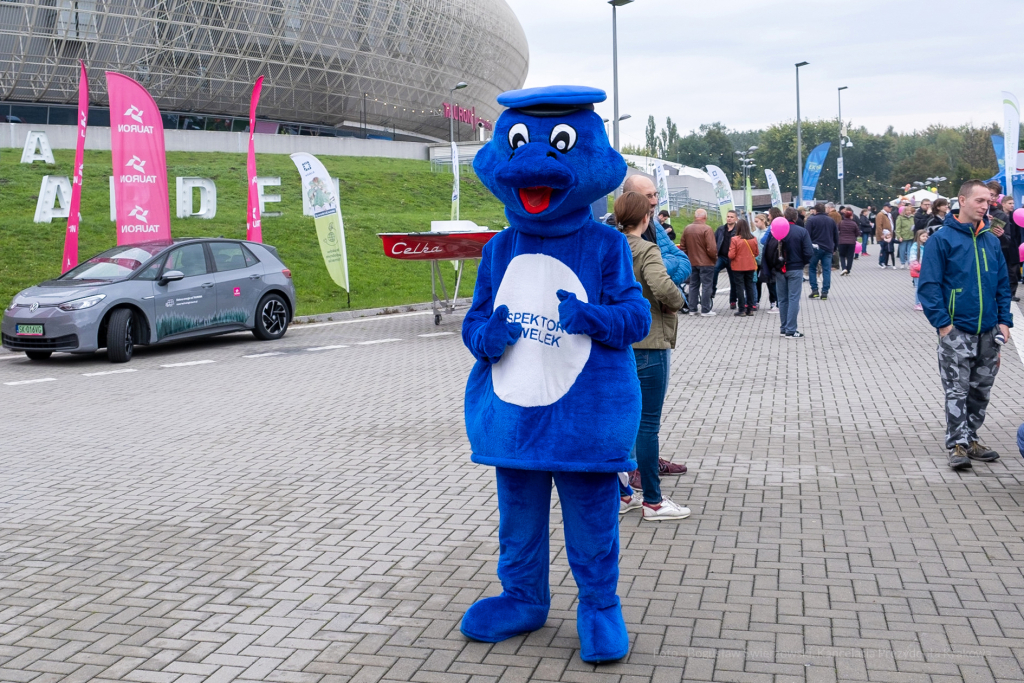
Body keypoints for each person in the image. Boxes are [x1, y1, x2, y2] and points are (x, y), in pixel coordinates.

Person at [918, 179, 1013, 471]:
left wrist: (1004, 320)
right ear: (962, 200)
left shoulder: (991, 240)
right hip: (956, 329)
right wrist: (943, 325)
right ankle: (957, 444)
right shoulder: (942, 239)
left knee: (980, 389)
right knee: (956, 389)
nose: (986, 206)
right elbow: (929, 286)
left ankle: (972, 438)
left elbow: (1002, 284)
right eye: (980, 201)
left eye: (989, 202)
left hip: (989, 332)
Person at [614, 191, 690, 520]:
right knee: (647, 426)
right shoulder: (647, 249)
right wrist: (678, 301)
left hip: (616, 344)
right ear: (646, 219)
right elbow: (662, 286)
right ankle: (654, 502)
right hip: (649, 342)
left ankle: (621, 494)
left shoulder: (609, 247)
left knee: (620, 421)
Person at [764, 207, 813, 338]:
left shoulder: (775, 231)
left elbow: (767, 248)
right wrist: (802, 262)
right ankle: (791, 330)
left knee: (783, 300)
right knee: (793, 299)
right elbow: (809, 252)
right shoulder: (802, 232)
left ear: (784, 217)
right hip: (795, 269)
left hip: (779, 269)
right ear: (796, 218)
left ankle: (783, 328)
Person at [680, 208, 718, 316]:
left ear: (695, 217)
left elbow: (682, 246)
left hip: (692, 262)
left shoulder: (687, 228)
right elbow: (711, 248)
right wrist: (714, 258)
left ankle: (692, 309)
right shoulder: (707, 229)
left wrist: (687, 257)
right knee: (706, 286)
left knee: (693, 285)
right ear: (705, 217)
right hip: (706, 263)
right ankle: (705, 310)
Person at [805, 202, 839, 299]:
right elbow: (836, 235)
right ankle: (825, 292)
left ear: (815, 210)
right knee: (826, 270)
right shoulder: (831, 221)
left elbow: (807, 235)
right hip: (828, 248)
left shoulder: (811, 220)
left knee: (812, 268)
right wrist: (835, 248)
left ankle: (814, 290)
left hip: (815, 248)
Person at [990, 195, 1022, 302]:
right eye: (1010, 203)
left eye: (1013, 203)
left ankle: (1012, 293)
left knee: (1013, 271)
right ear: (1003, 204)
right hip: (1001, 247)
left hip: (1013, 247)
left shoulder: (1016, 216)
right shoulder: (998, 215)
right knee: (1002, 270)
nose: (1012, 205)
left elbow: (1018, 233)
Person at [727, 218, 759, 316]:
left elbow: (731, 255)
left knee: (740, 287)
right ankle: (750, 309)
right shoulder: (753, 238)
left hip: (738, 267)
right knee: (749, 286)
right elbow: (756, 253)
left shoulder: (735, 239)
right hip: (750, 266)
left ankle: (742, 309)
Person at [713, 210, 739, 307]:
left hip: (732, 258)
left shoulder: (738, 230)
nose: (729, 218)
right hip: (721, 256)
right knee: (714, 269)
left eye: (732, 217)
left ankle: (733, 300)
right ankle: (712, 291)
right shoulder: (720, 229)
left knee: (733, 280)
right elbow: (714, 241)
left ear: (736, 219)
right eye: (728, 216)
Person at [908, 229, 928, 310]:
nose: (925, 238)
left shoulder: (925, 246)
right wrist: (920, 268)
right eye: (923, 236)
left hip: (924, 270)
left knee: (923, 287)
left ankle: (922, 302)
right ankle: (917, 303)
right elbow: (913, 260)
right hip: (917, 271)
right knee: (918, 287)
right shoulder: (915, 247)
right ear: (918, 237)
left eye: (926, 236)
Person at [837, 208, 860, 275]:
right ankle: (848, 269)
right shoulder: (854, 223)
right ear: (851, 216)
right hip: (851, 242)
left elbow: (837, 230)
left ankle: (844, 268)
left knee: (842, 255)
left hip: (842, 241)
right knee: (850, 256)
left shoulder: (841, 223)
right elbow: (857, 233)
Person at [895, 202, 915, 268]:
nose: (909, 212)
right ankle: (902, 262)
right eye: (907, 210)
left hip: (911, 236)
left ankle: (909, 263)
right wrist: (899, 236)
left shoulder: (912, 217)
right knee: (902, 250)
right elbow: (898, 228)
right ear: (904, 211)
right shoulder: (900, 218)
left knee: (910, 251)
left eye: (910, 210)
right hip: (903, 236)